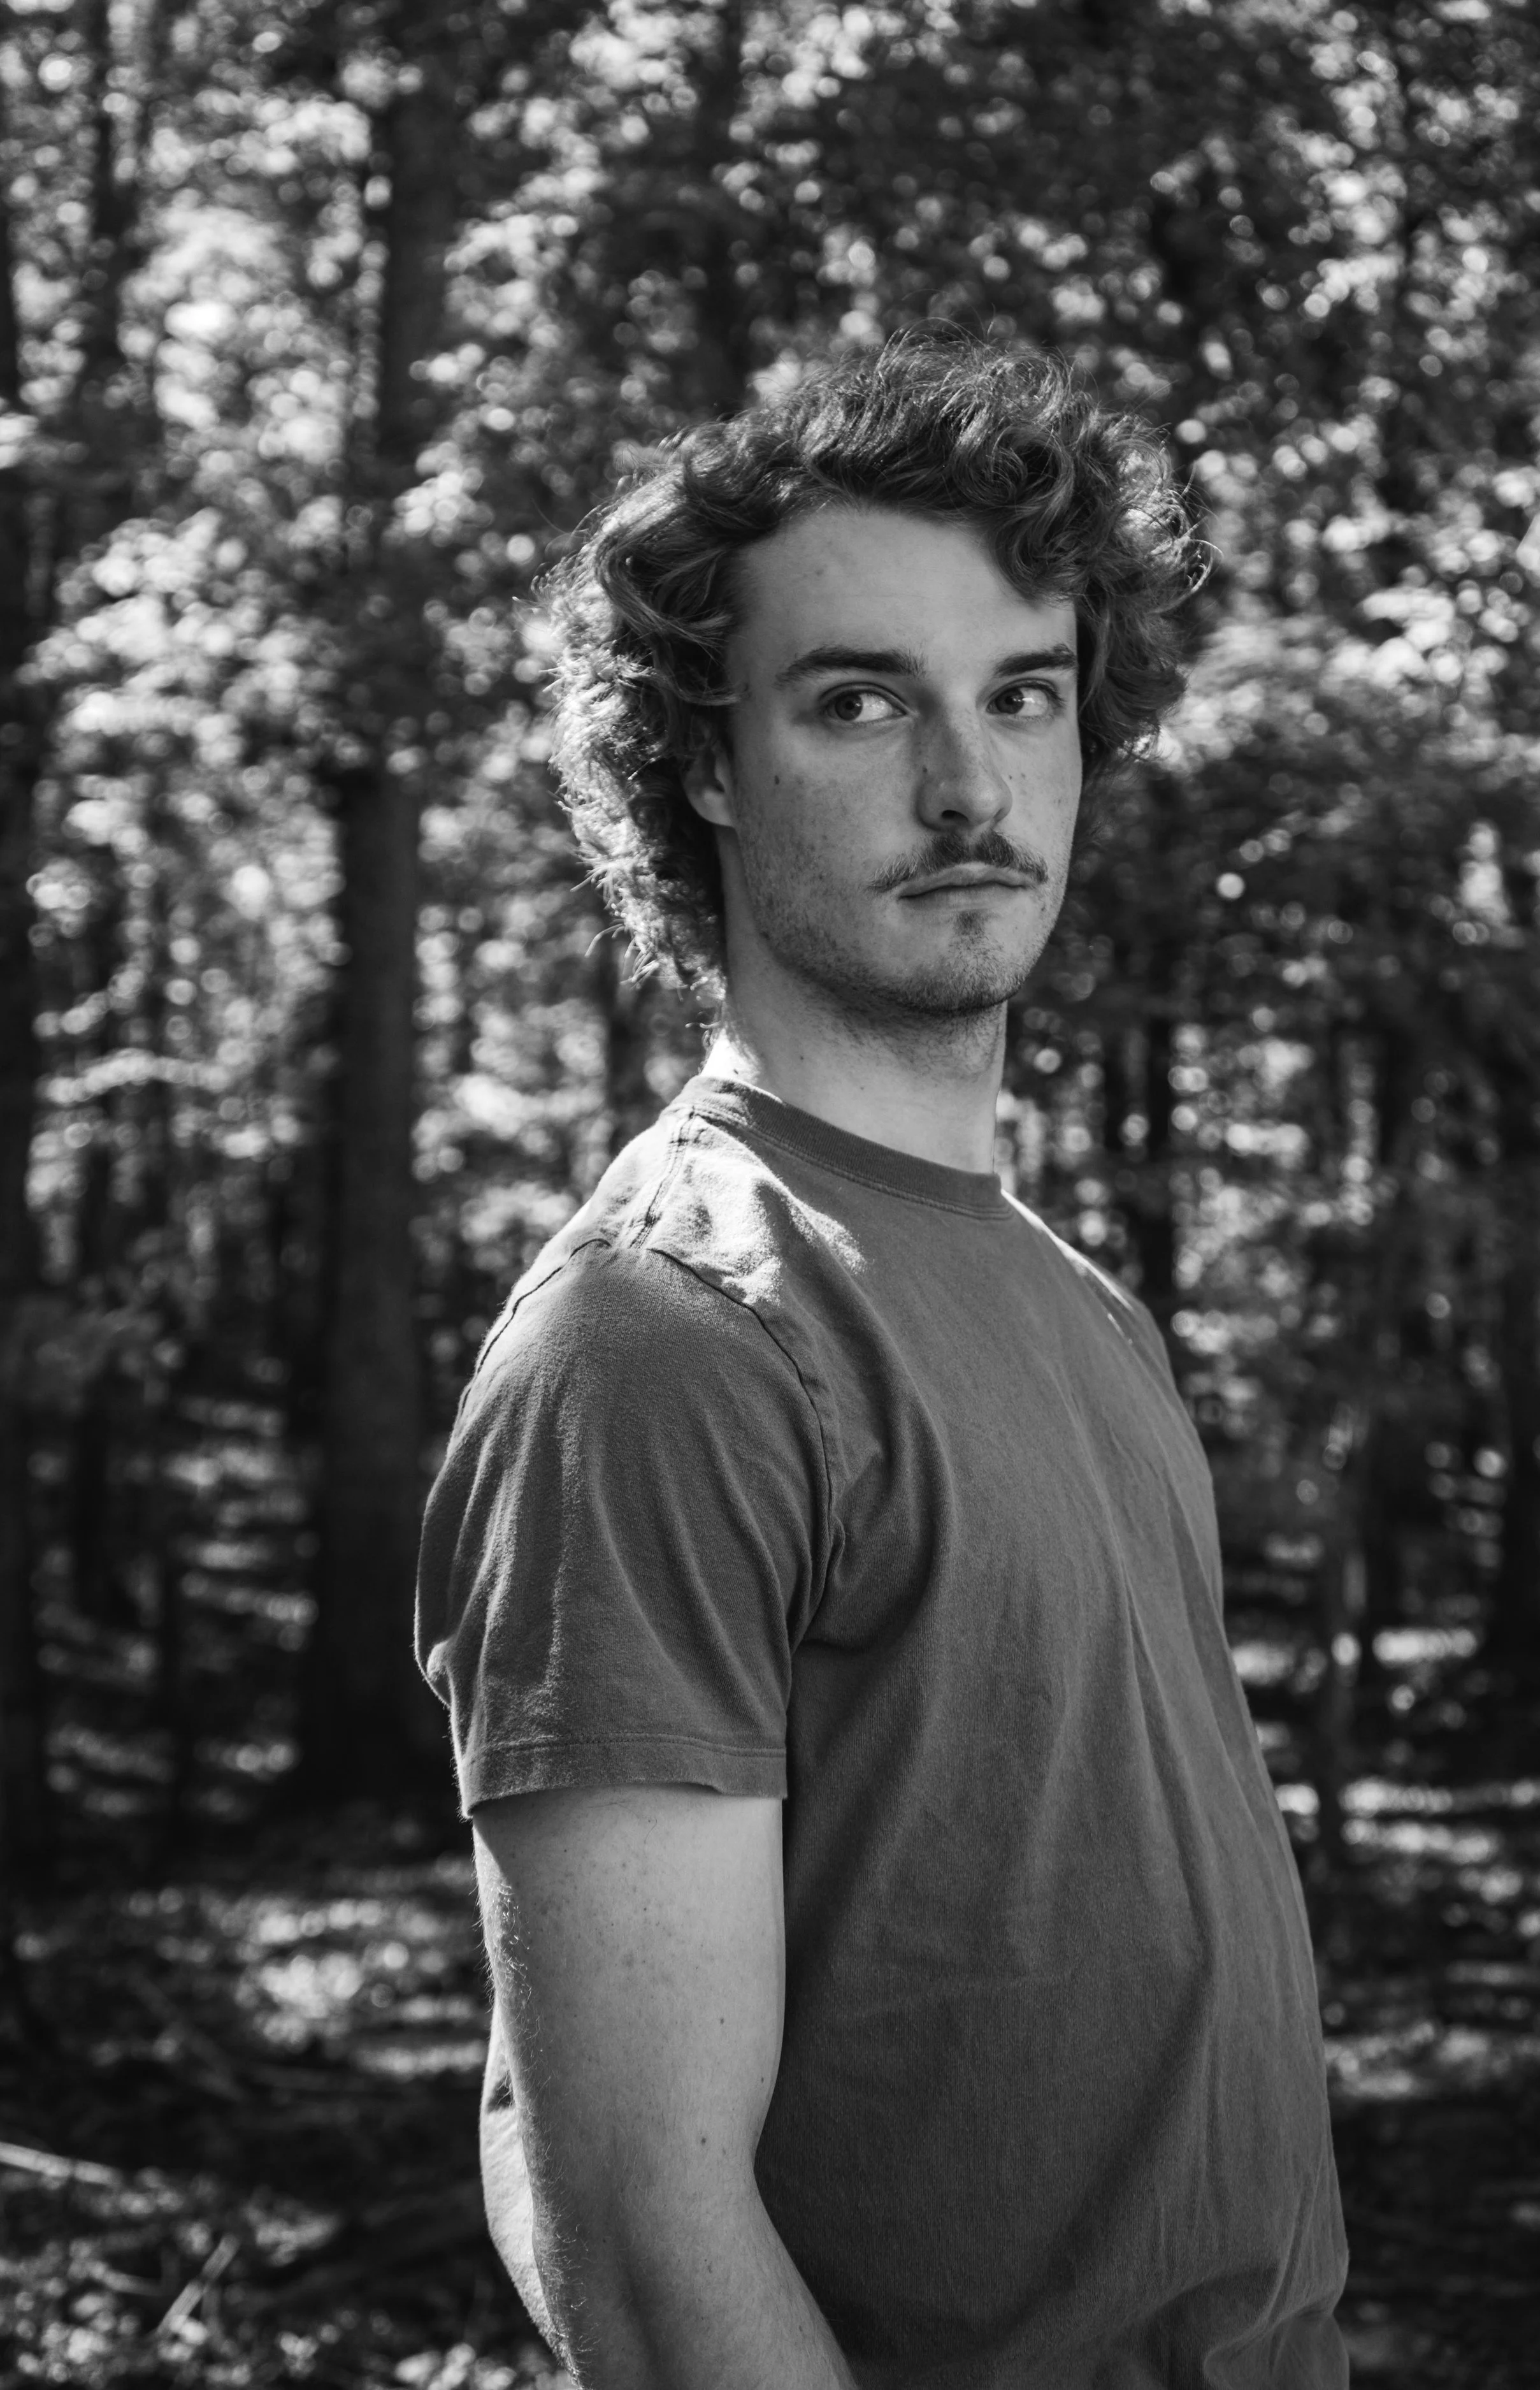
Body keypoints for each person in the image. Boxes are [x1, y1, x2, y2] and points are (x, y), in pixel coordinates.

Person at [415, 330, 1349, 2389]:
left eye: (1022, 693)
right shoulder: (663, 1340)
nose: (971, 787)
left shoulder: (1075, 1302)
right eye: (858, 699)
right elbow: (639, 2235)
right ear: (703, 761)